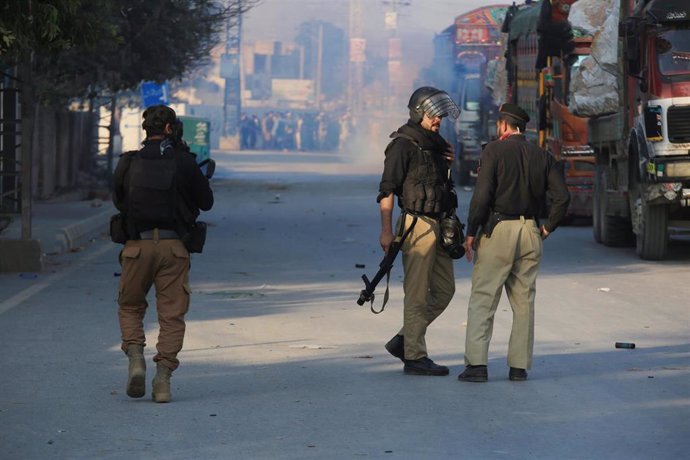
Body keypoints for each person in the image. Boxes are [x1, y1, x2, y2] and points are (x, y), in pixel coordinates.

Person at [458, 103, 570, 383]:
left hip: (499, 230)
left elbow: (482, 196)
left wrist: (471, 232)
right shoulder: (543, 156)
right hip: (530, 231)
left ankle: (477, 366)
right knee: (524, 302)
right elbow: (562, 197)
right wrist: (545, 228)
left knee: (484, 298)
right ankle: (519, 367)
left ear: (504, 125)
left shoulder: (493, 151)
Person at [112, 105, 214, 402]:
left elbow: (119, 202)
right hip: (174, 249)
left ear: (146, 129)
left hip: (136, 248)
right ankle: (163, 381)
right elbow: (206, 202)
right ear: (170, 129)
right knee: (171, 316)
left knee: (130, 306)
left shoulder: (128, 163)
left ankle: (134, 357)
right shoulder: (184, 163)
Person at [378, 86, 461, 376]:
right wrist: (387, 231)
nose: (438, 119)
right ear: (418, 113)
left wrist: (446, 164)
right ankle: (415, 356)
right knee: (416, 295)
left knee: (445, 290)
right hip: (416, 225)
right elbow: (387, 190)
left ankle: (404, 339)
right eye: (433, 114)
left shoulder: (437, 146)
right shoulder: (403, 145)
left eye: (440, 115)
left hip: (440, 224)